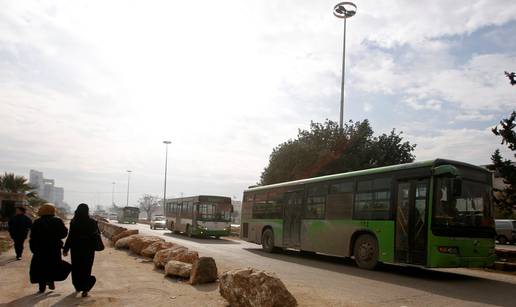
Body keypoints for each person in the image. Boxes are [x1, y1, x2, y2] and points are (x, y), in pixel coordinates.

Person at [29, 203, 69, 293]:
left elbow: (32, 237)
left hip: (40, 249)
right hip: (54, 248)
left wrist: (33, 248)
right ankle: (51, 280)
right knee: (52, 265)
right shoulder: (57, 221)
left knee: (41, 267)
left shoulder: (37, 222)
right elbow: (64, 234)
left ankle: (41, 286)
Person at [63, 203, 100, 297]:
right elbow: (97, 235)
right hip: (88, 250)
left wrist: (66, 249)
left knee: (76, 268)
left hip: (76, 249)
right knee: (86, 268)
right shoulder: (92, 222)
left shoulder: (74, 222)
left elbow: (70, 236)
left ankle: (78, 286)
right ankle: (86, 288)